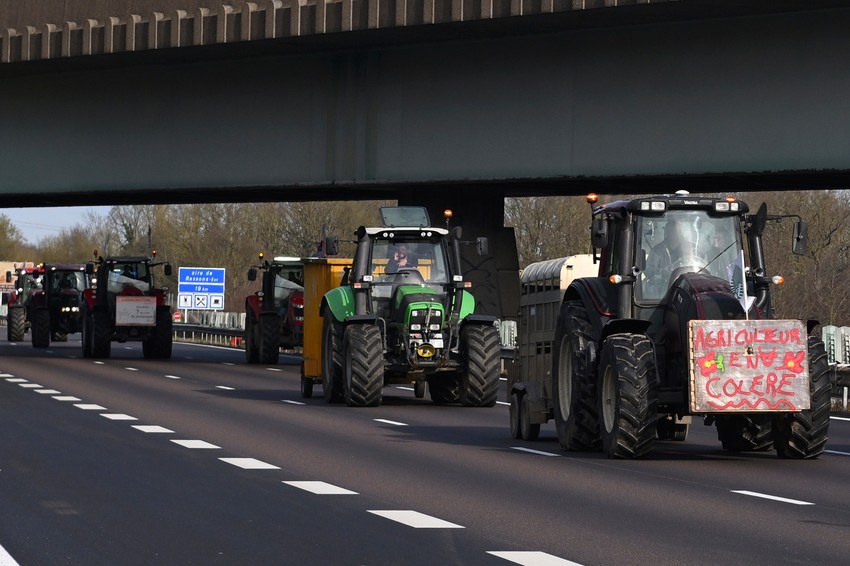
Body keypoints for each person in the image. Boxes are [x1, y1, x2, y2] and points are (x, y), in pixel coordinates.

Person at [644, 218, 700, 296]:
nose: (673, 233)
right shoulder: (657, 250)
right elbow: (648, 271)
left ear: (680, 232)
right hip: (662, 288)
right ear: (666, 232)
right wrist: (661, 272)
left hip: (687, 286)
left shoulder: (692, 249)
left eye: (675, 230)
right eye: (670, 230)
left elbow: (701, 267)